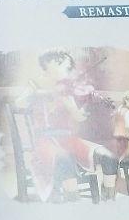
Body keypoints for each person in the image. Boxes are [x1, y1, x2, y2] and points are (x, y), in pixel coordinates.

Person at [21, 50, 119, 201]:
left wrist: (78, 109)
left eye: (69, 68)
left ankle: (108, 199)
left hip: (69, 140)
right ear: (49, 65)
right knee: (65, 157)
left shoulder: (66, 92)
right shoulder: (33, 85)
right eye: (64, 67)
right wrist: (39, 94)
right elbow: (19, 103)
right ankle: (73, 201)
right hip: (45, 141)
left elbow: (78, 117)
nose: (69, 71)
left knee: (109, 158)